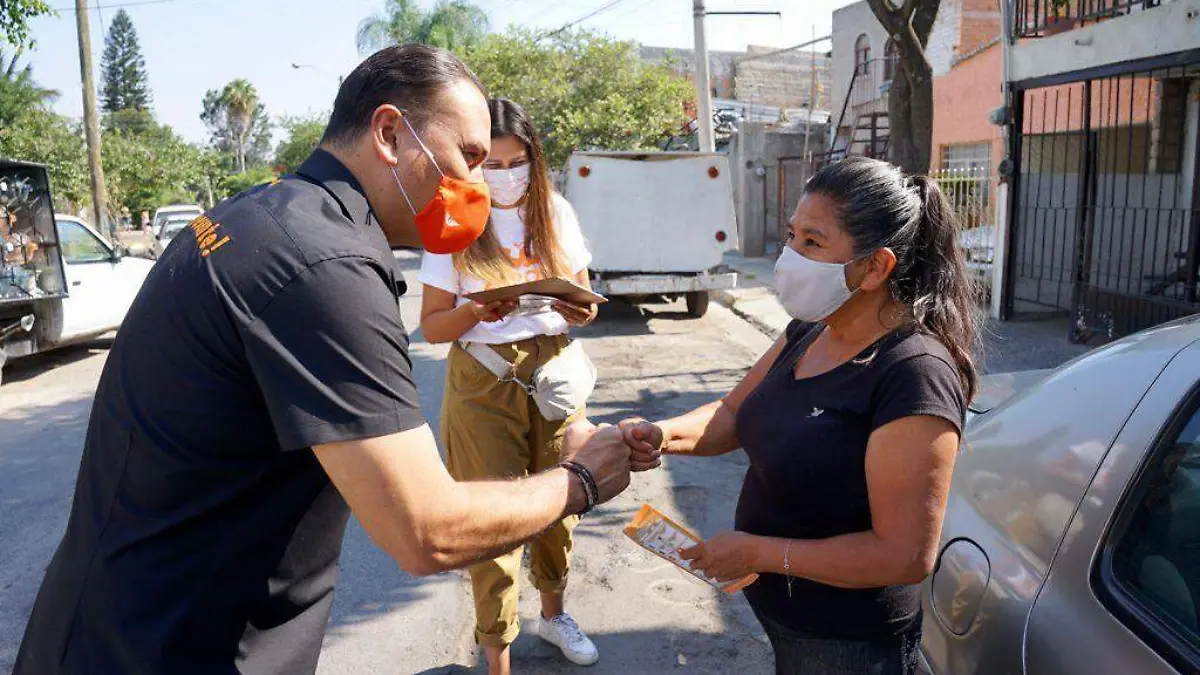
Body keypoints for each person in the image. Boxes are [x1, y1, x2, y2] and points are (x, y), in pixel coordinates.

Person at [13, 45, 636, 675]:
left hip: (117, 624)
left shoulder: (257, 217)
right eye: (469, 157)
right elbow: (428, 529)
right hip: (176, 646)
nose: (478, 186)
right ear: (390, 133)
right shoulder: (323, 265)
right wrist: (579, 480)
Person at [623, 157, 978, 675]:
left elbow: (904, 554)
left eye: (812, 243)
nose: (790, 257)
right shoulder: (810, 330)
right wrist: (660, 435)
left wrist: (758, 554)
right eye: (791, 237)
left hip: (846, 641)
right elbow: (731, 414)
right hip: (786, 621)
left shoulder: (912, 374)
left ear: (876, 267)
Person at [419, 97, 599, 674]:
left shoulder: (556, 210)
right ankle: (496, 653)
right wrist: (478, 312)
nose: (505, 174)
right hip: (484, 376)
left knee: (558, 505)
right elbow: (431, 325)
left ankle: (553, 614)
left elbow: (586, 299)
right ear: (471, 165)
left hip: (555, 371)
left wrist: (577, 311)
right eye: (490, 164)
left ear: (534, 159)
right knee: (492, 518)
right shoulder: (453, 214)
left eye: (516, 161)